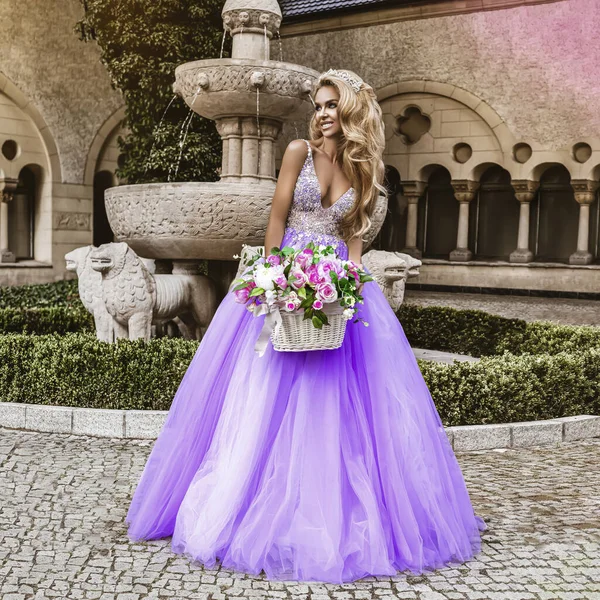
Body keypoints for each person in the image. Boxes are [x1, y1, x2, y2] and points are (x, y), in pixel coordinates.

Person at [125, 68, 486, 584]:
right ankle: (247, 503)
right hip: (285, 272)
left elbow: (355, 234)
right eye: (317, 104)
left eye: (331, 105)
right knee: (263, 395)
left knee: (341, 400)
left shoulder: (364, 169)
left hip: (334, 283)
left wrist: (348, 283)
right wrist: (272, 277)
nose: (321, 113)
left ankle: (330, 510)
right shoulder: (297, 151)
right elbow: (275, 220)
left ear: (352, 111)